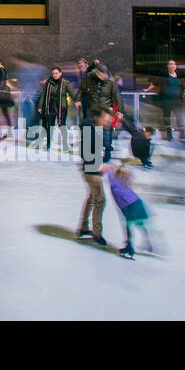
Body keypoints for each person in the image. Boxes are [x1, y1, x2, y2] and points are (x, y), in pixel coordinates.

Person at [102, 162, 153, 259]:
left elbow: (106, 169)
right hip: (134, 202)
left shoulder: (115, 179)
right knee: (138, 224)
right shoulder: (122, 179)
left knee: (130, 225)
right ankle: (145, 243)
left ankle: (130, 246)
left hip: (129, 205)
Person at [76, 108, 112, 245]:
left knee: (92, 198)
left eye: (108, 120)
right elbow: (85, 154)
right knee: (100, 200)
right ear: (96, 118)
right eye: (104, 119)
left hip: (91, 169)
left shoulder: (96, 130)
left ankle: (83, 227)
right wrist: (98, 165)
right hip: (91, 171)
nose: (107, 122)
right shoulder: (89, 131)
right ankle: (97, 233)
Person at [36, 66, 73, 150]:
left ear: (60, 73)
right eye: (53, 74)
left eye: (56, 73)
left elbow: (71, 92)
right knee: (50, 126)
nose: (55, 75)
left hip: (61, 107)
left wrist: (77, 100)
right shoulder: (48, 83)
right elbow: (43, 94)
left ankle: (65, 144)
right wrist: (40, 106)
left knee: (62, 126)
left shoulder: (65, 83)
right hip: (51, 106)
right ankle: (48, 144)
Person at [156, 59, 185, 142]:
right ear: (168, 66)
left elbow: (181, 84)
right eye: (170, 64)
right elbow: (156, 83)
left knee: (179, 117)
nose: (172, 66)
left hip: (177, 100)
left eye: (174, 64)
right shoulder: (164, 75)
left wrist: (184, 89)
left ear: (175, 66)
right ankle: (169, 135)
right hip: (167, 100)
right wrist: (148, 89)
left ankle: (182, 134)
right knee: (167, 117)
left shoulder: (178, 74)